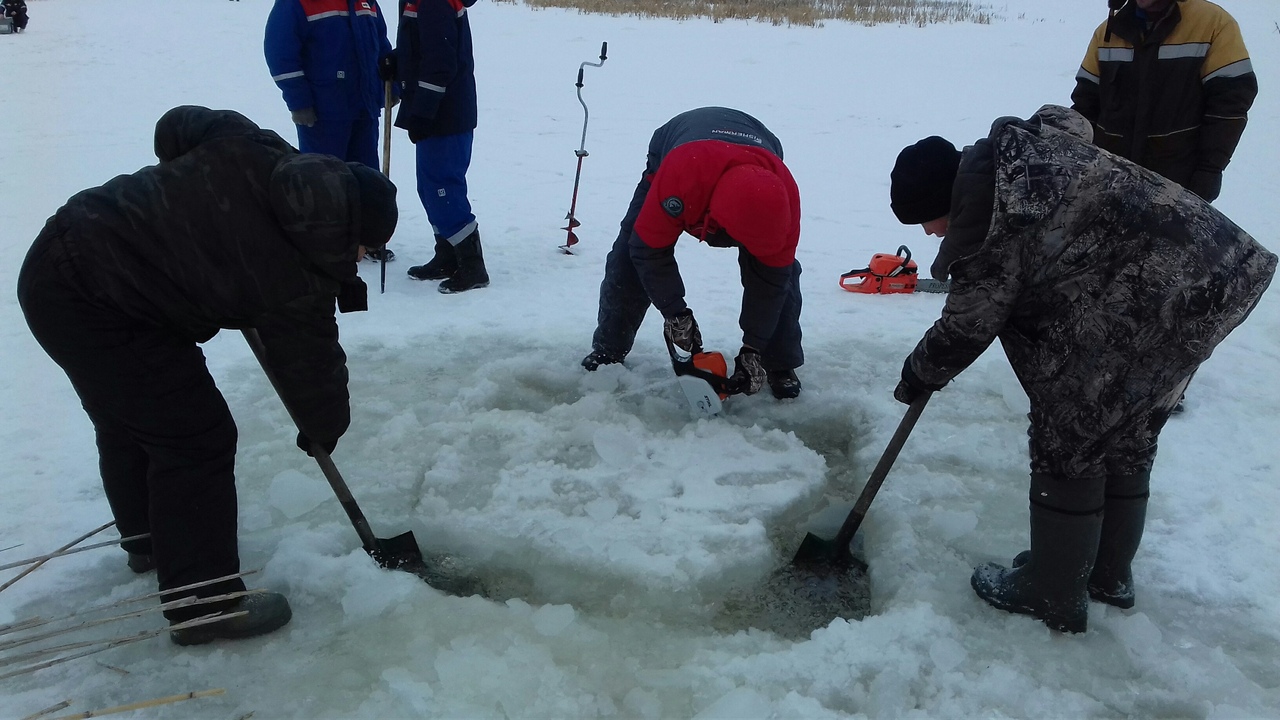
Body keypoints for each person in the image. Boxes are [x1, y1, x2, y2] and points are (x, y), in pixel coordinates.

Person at [16, 106, 398, 646]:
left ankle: (152, 540)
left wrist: (187, 197)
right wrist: (323, 428)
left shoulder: (256, 147)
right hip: (104, 306)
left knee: (130, 418)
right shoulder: (295, 278)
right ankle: (205, 605)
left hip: (54, 261)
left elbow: (176, 124)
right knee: (195, 439)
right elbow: (311, 369)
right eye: (364, 248)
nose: (360, 259)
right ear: (347, 230)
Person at [888, 105, 1275, 634]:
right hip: (1216, 270)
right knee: (1128, 432)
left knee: (1068, 436)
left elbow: (969, 324)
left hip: (1148, 299)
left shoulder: (990, 219)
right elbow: (1070, 120)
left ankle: (1053, 590)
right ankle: (1103, 574)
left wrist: (919, 373)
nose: (930, 234)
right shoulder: (1023, 158)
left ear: (942, 200)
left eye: (925, 221)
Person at [581, 106, 804, 400]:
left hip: (761, 147)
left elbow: (773, 280)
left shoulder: (784, 197)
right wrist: (676, 313)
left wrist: (754, 347)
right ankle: (609, 349)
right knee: (628, 256)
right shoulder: (681, 180)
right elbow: (647, 250)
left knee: (781, 276)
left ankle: (778, 362)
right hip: (680, 147)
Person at [1070, 0, 1257, 204]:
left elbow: (1229, 106)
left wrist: (1209, 168)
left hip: (1176, 187)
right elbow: (1085, 108)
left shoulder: (1213, 24)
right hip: (1108, 183)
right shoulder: (1108, 32)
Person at [264, 0, 396, 261]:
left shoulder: (366, 1)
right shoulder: (296, 3)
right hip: (323, 111)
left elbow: (381, 45)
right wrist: (298, 100)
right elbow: (280, 51)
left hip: (364, 106)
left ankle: (366, 239)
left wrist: (390, 83)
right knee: (323, 181)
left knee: (366, 178)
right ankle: (324, 243)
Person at [391, 0, 490, 294]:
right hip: (438, 112)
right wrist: (396, 61)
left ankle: (472, 266)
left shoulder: (433, 2)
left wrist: (422, 113)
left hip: (446, 114)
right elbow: (423, 46)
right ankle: (448, 255)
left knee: (442, 186)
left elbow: (441, 63)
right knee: (429, 187)